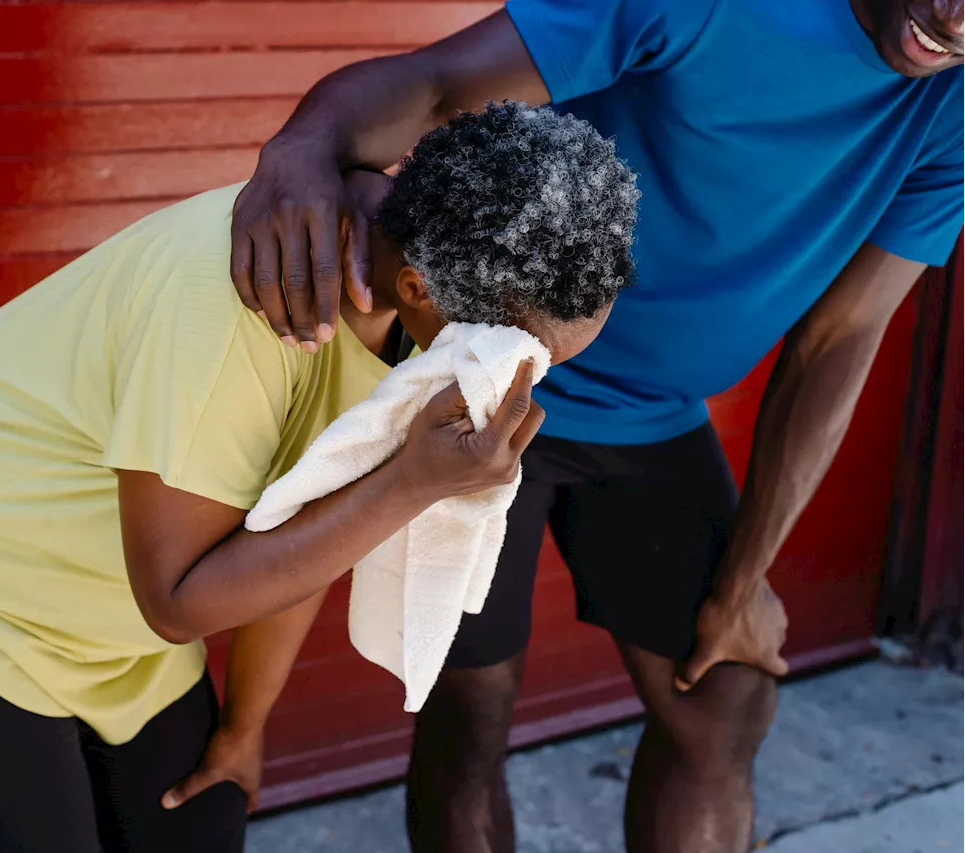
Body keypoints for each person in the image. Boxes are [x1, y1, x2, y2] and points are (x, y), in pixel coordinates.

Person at [228, 2, 965, 852]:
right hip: (483, 384)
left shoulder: (949, 109)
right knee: (470, 697)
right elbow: (433, 87)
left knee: (724, 695)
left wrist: (745, 578)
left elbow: (840, 337)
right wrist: (300, 149)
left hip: (652, 419)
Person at [0, 103, 638, 852]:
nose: (527, 384)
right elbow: (178, 602)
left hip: (110, 608)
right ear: (419, 287)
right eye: (527, 356)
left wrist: (244, 723)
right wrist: (411, 484)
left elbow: (302, 526)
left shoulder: (409, 326)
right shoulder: (246, 301)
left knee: (202, 825)